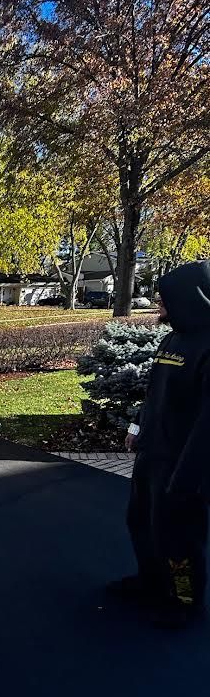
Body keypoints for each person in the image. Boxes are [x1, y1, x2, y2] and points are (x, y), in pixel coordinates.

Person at [111, 260, 210, 628]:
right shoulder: (173, 337)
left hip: (184, 465)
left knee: (179, 539)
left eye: (165, 299)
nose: (158, 304)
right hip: (153, 452)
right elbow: (154, 391)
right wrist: (137, 426)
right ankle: (150, 583)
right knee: (140, 522)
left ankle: (186, 601)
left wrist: (188, 479)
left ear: (190, 298)